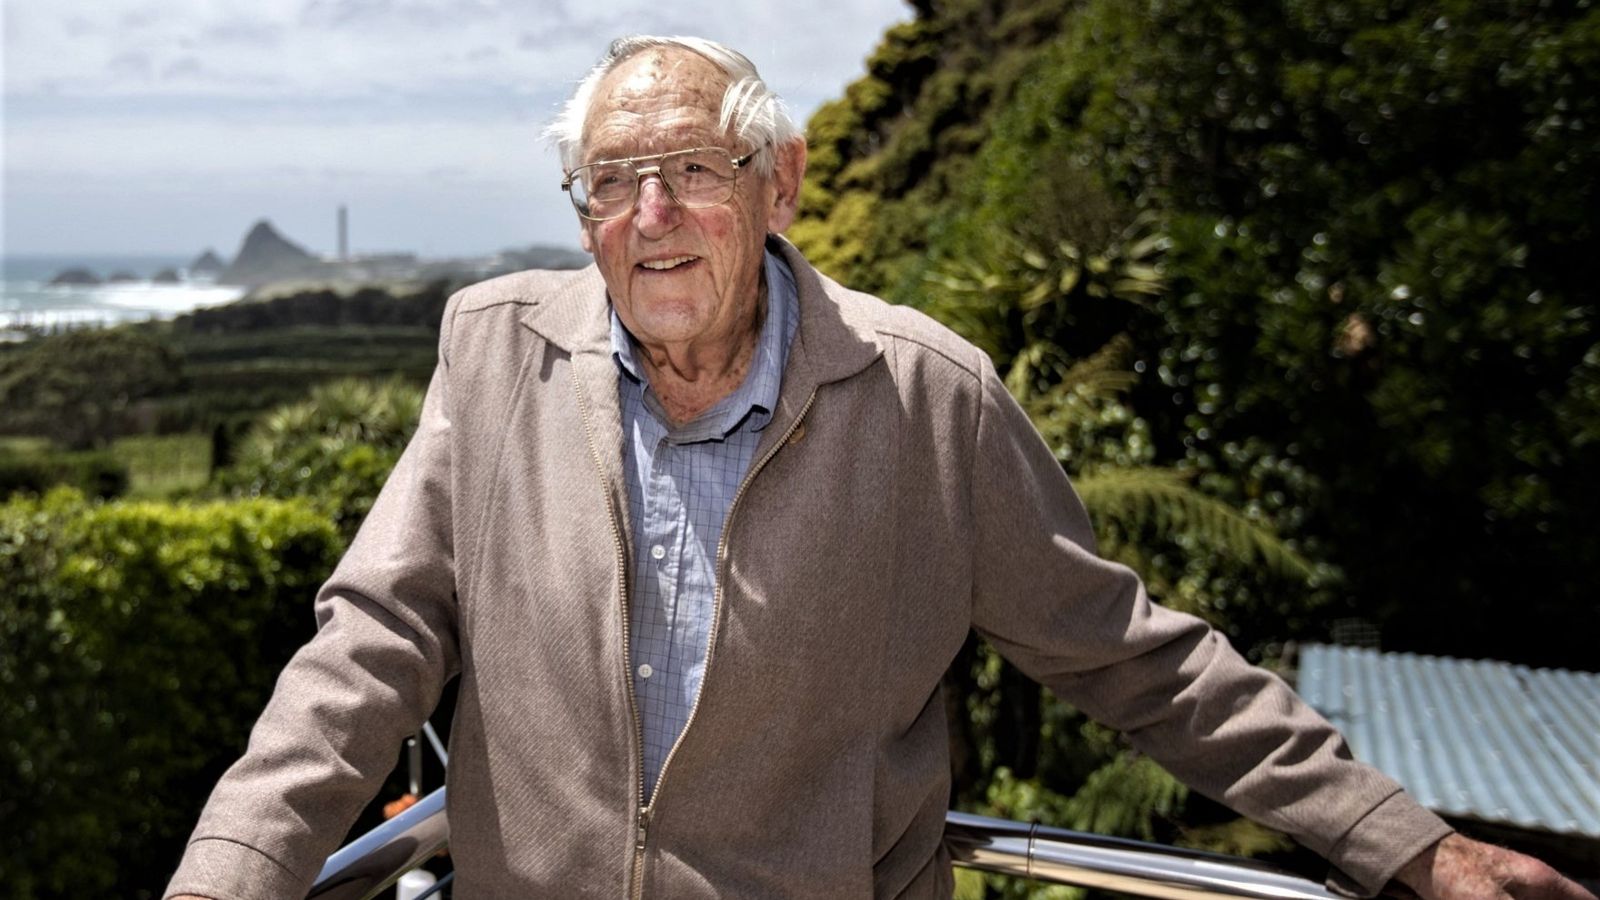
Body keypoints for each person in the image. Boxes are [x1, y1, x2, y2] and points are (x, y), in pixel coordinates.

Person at [167, 35, 1595, 900]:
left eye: (691, 171)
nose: (650, 216)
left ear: (776, 185)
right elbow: (372, 648)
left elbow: (1135, 660)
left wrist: (1405, 847)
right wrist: (229, 874)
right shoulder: (493, 351)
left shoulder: (927, 396)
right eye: (611, 181)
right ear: (580, 208)